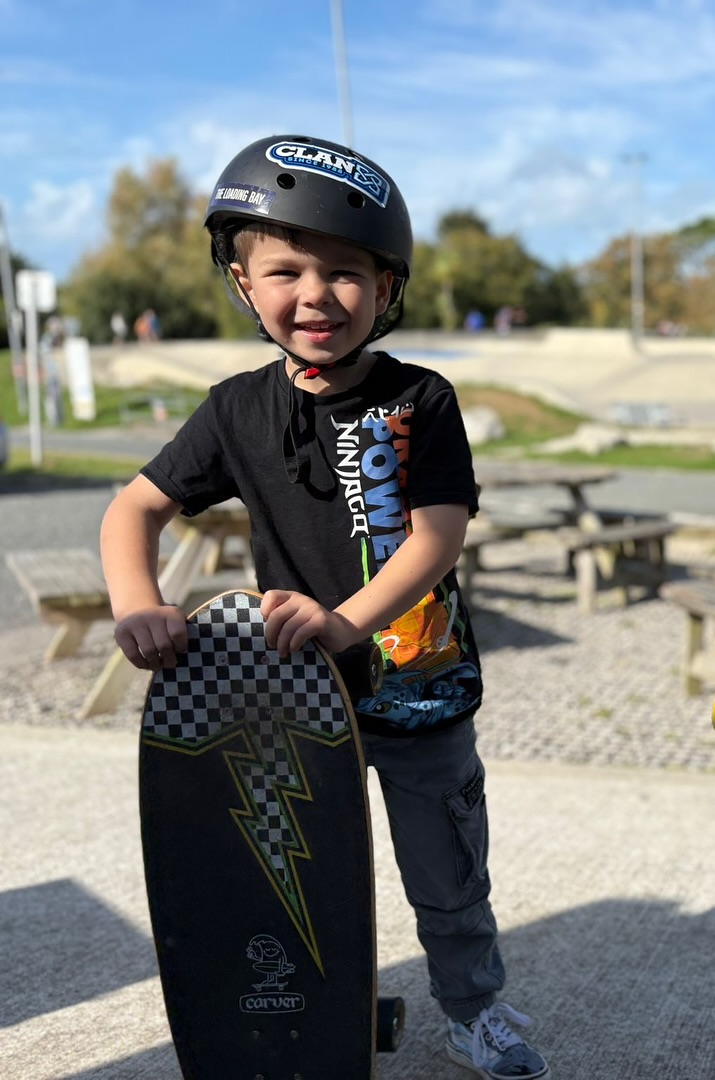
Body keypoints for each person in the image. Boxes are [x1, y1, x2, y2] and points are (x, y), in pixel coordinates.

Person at [98, 135, 549, 1080]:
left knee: (448, 879)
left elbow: (435, 535)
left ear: (387, 288)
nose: (316, 294)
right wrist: (139, 603)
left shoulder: (420, 399)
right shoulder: (233, 410)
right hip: (288, 705)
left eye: (346, 272)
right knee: (291, 881)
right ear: (240, 280)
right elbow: (132, 509)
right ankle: (317, 1008)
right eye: (286, 270)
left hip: (417, 695)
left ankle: (473, 1010)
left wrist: (347, 619)